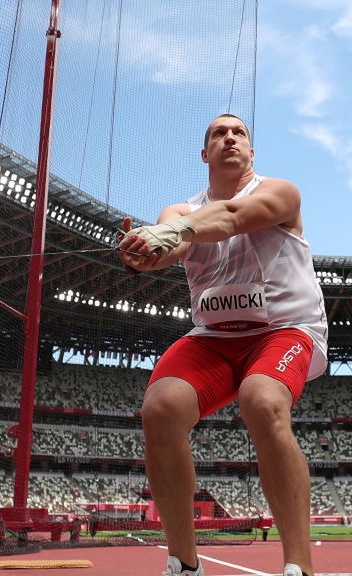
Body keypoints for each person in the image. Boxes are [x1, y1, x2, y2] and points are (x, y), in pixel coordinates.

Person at [118, 114, 328, 576]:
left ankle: (300, 566)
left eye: (240, 133)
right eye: (218, 134)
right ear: (204, 154)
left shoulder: (281, 193)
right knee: (160, 408)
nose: (230, 138)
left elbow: (232, 218)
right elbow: (168, 248)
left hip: (284, 330)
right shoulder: (178, 212)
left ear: (251, 152)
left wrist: (171, 234)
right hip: (213, 339)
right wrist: (145, 251)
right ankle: (184, 564)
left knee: (263, 400)